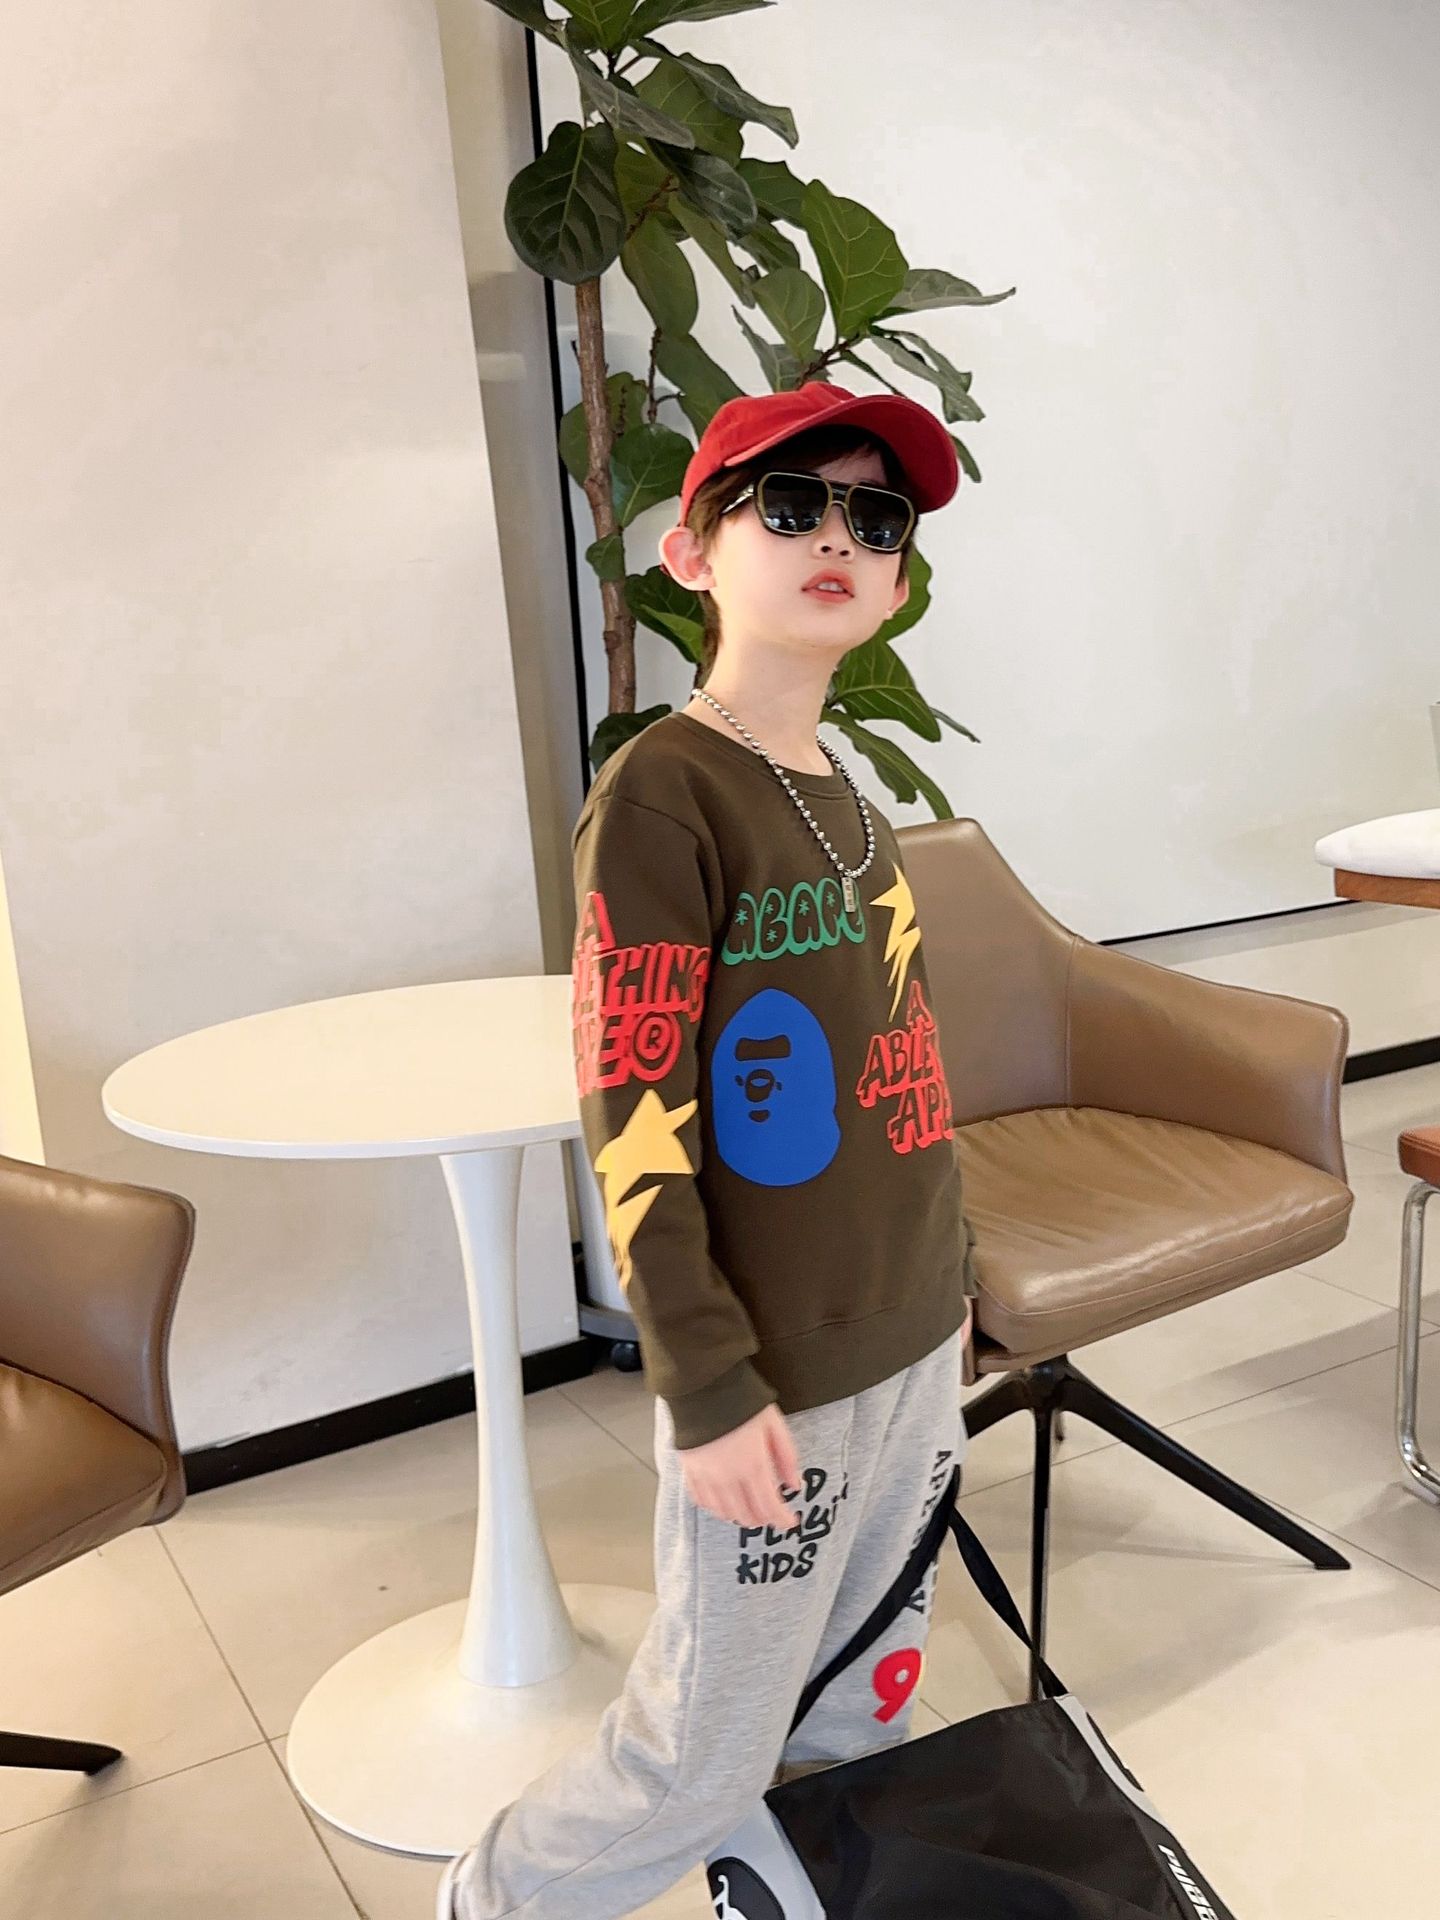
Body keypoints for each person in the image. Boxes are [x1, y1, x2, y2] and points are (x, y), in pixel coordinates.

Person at [439, 378, 979, 1920]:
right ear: (692, 554)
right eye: (791, 506)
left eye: (876, 518)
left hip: (910, 1340)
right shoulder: (667, 790)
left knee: (861, 1699)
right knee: (701, 1752)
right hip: (777, 1367)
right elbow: (632, 1100)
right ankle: (493, 1901)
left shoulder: (841, 787)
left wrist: (951, 1280)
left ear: (896, 580)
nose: (839, 539)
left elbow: (901, 1059)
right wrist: (706, 1376)